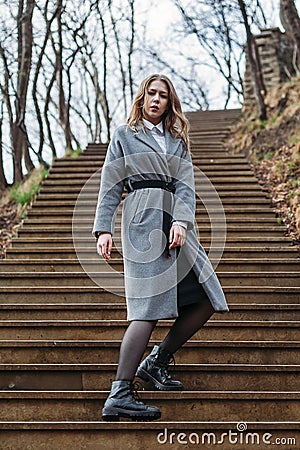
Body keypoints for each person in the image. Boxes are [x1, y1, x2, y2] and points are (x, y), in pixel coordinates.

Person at [93, 74, 229, 422]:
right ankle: (120, 392)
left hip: (178, 227)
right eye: (151, 93)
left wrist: (182, 221)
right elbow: (110, 185)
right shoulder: (125, 134)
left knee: (204, 299)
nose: (156, 99)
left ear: (170, 102)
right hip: (142, 220)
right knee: (148, 308)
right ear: (143, 97)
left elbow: (185, 185)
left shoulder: (177, 139)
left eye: (163, 95)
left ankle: (155, 362)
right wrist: (102, 230)